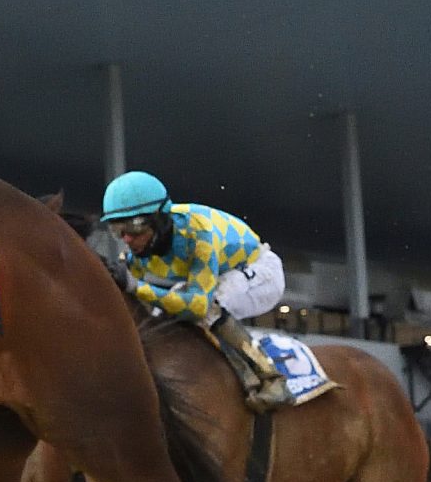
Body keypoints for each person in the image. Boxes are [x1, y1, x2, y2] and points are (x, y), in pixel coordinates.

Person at [100, 170, 291, 411]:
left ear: (159, 220)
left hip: (261, 272)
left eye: (134, 228)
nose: (127, 239)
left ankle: (271, 379)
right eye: (118, 230)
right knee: (166, 310)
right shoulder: (137, 253)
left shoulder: (199, 237)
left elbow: (197, 305)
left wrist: (136, 286)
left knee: (210, 306)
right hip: (219, 273)